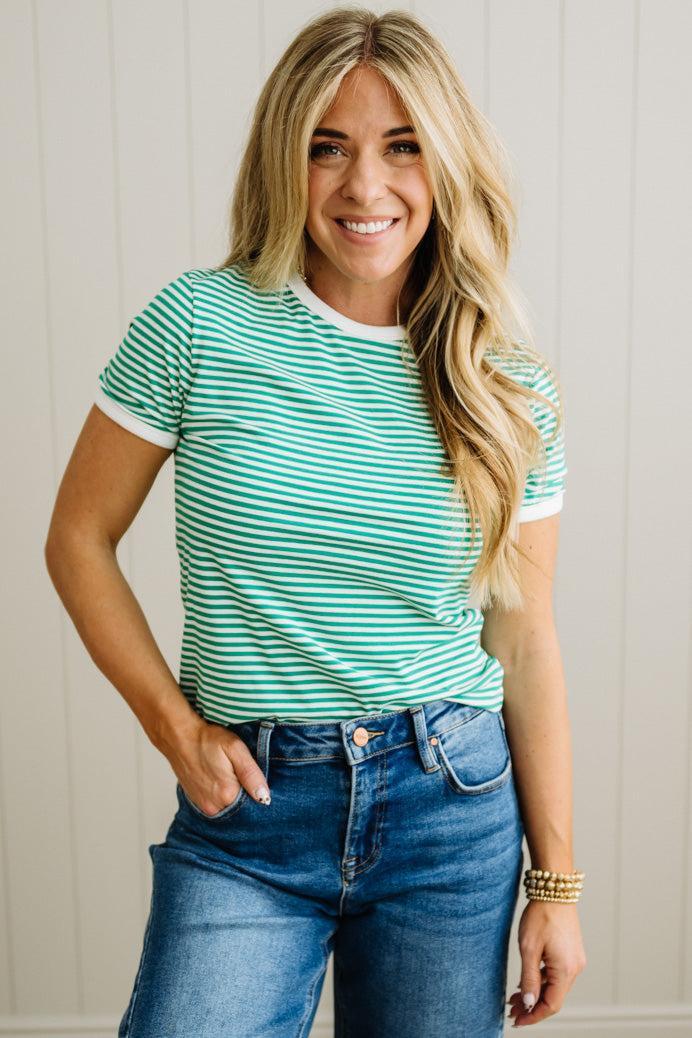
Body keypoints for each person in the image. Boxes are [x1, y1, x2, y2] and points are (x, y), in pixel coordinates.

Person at [44, 6, 586, 1036]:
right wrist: (174, 728)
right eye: (325, 149)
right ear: (282, 160)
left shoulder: (507, 386)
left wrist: (554, 889)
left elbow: (522, 638)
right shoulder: (199, 324)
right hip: (250, 810)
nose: (362, 188)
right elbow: (77, 538)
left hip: (451, 807)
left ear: (446, 163)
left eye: (400, 148)